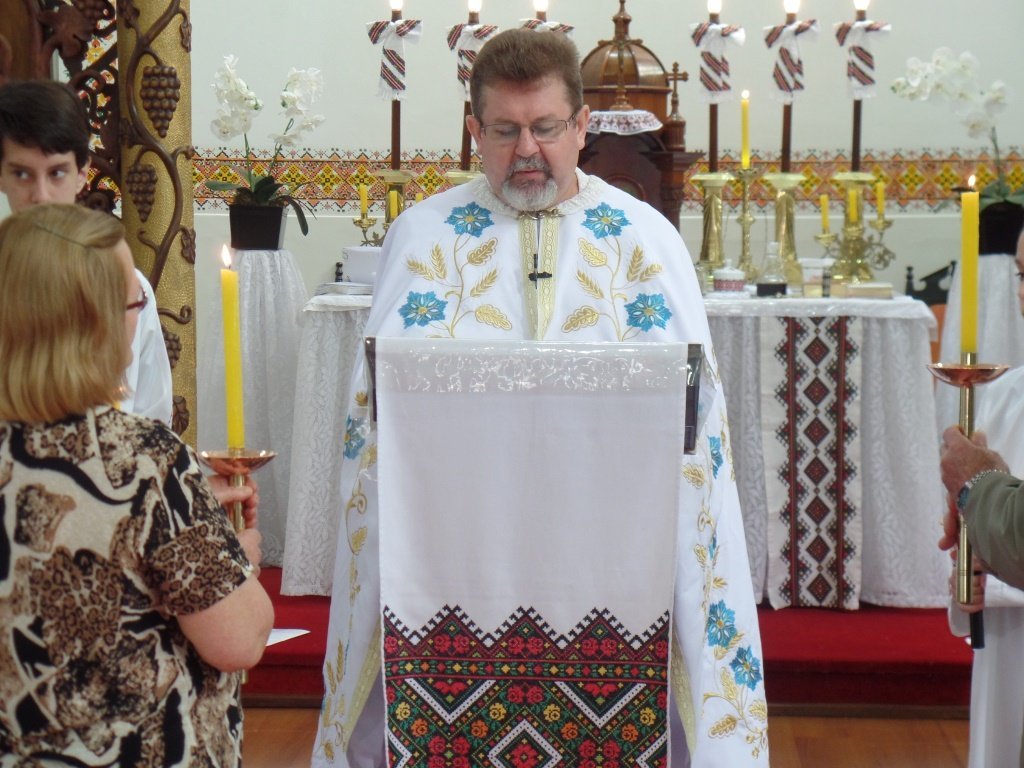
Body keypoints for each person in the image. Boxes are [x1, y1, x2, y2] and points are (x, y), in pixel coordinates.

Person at [313, 29, 767, 767]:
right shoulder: (422, 240)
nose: (527, 150)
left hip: (616, 558)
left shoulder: (645, 241)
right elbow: (374, 425)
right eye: (505, 131)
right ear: (474, 131)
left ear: (582, 126)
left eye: (546, 128)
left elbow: (697, 429)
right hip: (457, 555)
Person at [0, 204, 274, 765]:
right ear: (94, 321)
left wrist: (190, 511)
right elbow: (238, 640)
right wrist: (237, 559)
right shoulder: (141, 461)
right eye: (134, 302)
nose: (139, 316)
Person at [0, 78, 173, 425]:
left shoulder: (128, 288)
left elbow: (152, 414)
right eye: (22, 174)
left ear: (81, 174)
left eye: (57, 173)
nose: (41, 196)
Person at [943, 230, 1024, 766]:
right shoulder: (1007, 395)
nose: (1022, 292)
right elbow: (967, 532)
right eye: (1021, 275)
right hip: (1007, 637)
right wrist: (967, 567)